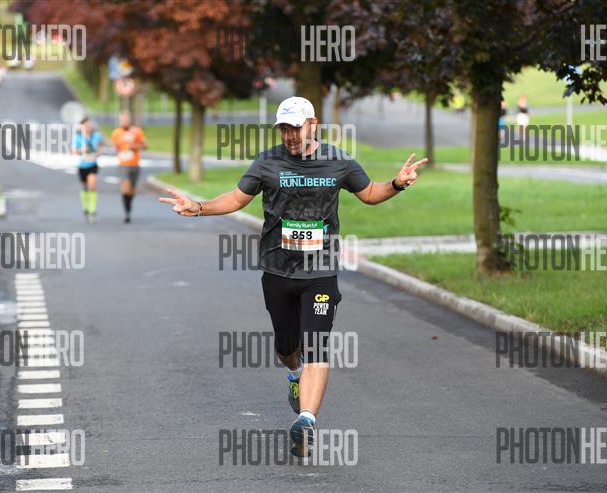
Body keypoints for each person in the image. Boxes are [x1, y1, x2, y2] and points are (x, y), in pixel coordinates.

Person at [158, 96, 426, 457]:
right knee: (286, 347)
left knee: (317, 343)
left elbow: (369, 193)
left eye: (295, 127)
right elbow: (236, 199)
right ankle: (295, 373)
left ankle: (306, 420)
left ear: (312, 124)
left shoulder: (338, 161)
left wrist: (396, 183)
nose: (290, 135)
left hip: (320, 271)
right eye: (284, 128)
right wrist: (199, 207)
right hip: (277, 270)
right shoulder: (267, 162)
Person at [111, 111, 148, 223]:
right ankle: (126, 213)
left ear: (129, 120)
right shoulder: (116, 133)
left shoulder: (137, 131)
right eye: (122, 120)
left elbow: (145, 145)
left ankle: (129, 205)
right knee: (125, 188)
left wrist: (135, 146)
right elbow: (115, 147)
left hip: (135, 164)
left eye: (126, 119)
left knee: (131, 190)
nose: (124, 121)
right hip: (123, 165)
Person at [72, 117, 102, 223]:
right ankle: (85, 207)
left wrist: (98, 153)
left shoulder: (96, 135)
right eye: (85, 125)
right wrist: (82, 150)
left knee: (92, 186)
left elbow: (100, 147)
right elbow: (73, 151)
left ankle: (92, 210)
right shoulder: (78, 137)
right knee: (85, 187)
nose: (88, 127)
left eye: (89, 125)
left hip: (93, 164)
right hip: (82, 165)